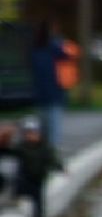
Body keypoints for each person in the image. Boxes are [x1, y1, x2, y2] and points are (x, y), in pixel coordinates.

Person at [8, 116, 63, 217]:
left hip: (38, 179)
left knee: (38, 204)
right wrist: (6, 137)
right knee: (18, 181)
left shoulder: (45, 147)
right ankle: (16, 197)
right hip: (25, 177)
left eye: (34, 133)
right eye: (28, 133)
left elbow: (52, 159)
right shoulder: (21, 147)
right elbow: (10, 151)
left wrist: (61, 168)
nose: (31, 136)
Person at [29, 21, 69, 151]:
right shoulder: (55, 48)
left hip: (40, 94)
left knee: (43, 125)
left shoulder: (35, 50)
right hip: (54, 93)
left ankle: (43, 150)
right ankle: (51, 153)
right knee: (54, 127)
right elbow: (66, 56)